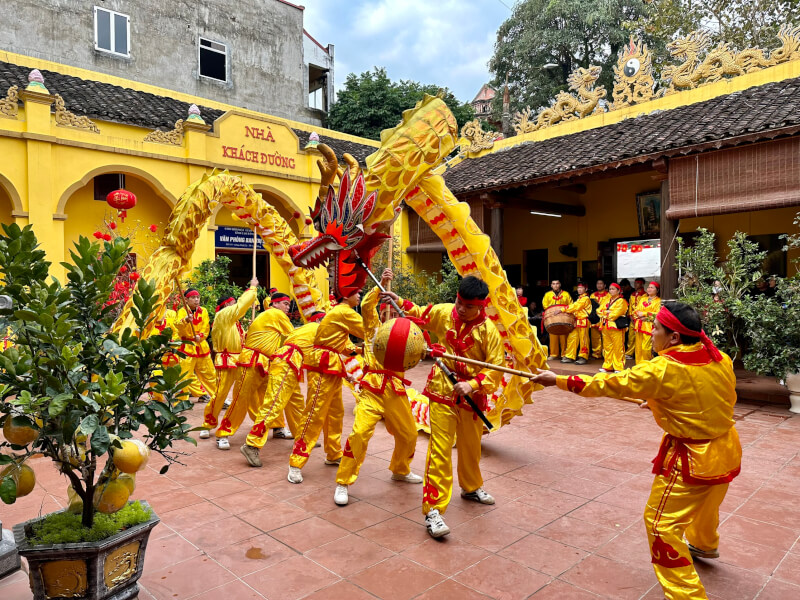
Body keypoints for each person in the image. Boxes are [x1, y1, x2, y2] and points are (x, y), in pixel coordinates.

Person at [533, 301, 741, 600]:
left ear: (674, 337)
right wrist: (661, 401)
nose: (650, 333)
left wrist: (558, 380)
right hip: (726, 448)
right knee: (707, 503)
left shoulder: (663, 369)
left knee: (660, 525)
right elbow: (707, 396)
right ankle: (704, 544)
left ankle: (688, 595)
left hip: (691, 457)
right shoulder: (719, 357)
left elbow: (611, 382)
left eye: (656, 329)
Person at [381, 276, 504, 539]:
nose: (461, 309)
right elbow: (420, 314)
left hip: (471, 398)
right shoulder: (444, 313)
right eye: (459, 302)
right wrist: (399, 300)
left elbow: (495, 369)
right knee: (440, 449)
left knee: (471, 447)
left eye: (468, 306)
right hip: (441, 390)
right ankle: (433, 510)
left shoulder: (489, 332)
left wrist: (473, 384)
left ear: (481, 306)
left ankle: (471, 487)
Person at [333, 268, 423, 505]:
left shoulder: (407, 334)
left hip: (395, 391)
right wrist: (381, 283)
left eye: (391, 312)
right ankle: (343, 481)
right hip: (372, 390)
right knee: (359, 434)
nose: (388, 315)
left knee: (409, 434)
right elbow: (365, 306)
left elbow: (417, 352)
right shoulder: (373, 329)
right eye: (384, 311)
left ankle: (400, 469)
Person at [288, 288, 365, 484]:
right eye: (357, 292)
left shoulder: (340, 313)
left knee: (335, 413)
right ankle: (296, 462)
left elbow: (345, 346)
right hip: (323, 365)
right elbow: (369, 330)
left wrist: (359, 350)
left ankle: (333, 453)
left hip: (332, 366)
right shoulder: (344, 311)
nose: (359, 296)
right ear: (345, 295)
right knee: (314, 414)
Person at [239, 310, 326, 467]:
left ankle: (301, 438)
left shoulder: (303, 329)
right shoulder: (318, 329)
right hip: (287, 364)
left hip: (289, 364)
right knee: (273, 404)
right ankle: (252, 444)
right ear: (319, 320)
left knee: (296, 403)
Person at [214, 292, 294, 450]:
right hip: (252, 361)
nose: (287, 307)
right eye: (285, 303)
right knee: (241, 398)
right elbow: (293, 335)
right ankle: (223, 433)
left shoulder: (269, 316)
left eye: (288, 304)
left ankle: (277, 427)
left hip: (265, 363)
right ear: (274, 304)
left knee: (271, 398)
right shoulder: (275, 313)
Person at [199, 279, 258, 439]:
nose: (235, 306)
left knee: (246, 393)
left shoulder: (234, 323)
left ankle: (258, 422)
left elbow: (242, 340)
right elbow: (240, 307)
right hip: (226, 360)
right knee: (220, 394)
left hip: (240, 360)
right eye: (232, 303)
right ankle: (208, 424)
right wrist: (252, 289)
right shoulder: (222, 316)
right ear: (226, 305)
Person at [174, 289, 216, 402]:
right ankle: (181, 402)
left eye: (198, 297)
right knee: (184, 375)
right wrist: (186, 320)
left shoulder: (204, 311)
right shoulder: (182, 311)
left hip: (201, 346)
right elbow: (177, 326)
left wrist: (200, 336)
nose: (196, 300)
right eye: (193, 298)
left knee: (210, 374)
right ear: (186, 300)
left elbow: (206, 327)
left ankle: (218, 398)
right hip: (187, 346)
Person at [597, 282, 628, 373]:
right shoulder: (606, 300)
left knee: (618, 347)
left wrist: (604, 313)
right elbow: (598, 310)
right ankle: (608, 365)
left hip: (616, 326)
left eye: (613, 289)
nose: (611, 291)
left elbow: (614, 315)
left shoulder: (621, 301)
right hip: (605, 326)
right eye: (610, 289)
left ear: (618, 291)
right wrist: (607, 312)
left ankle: (618, 366)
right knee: (607, 347)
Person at [560, 281, 591, 365]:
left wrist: (562, 309)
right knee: (572, 338)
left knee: (583, 340)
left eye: (581, 288)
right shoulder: (580, 298)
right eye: (578, 288)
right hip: (577, 321)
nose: (579, 289)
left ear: (586, 289)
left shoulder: (585, 298)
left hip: (583, 321)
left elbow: (575, 307)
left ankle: (583, 357)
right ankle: (570, 356)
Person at [541, 279, 572, 360]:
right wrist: (553, 310)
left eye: (557, 283)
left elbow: (570, 305)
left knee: (564, 336)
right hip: (552, 318)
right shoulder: (547, 294)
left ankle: (564, 354)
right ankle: (553, 354)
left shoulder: (566, 294)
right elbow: (545, 305)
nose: (555, 285)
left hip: (563, 318)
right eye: (553, 284)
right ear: (551, 285)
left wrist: (562, 310)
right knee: (553, 335)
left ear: (560, 285)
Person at [634, 282, 661, 364]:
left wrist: (645, 314)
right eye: (648, 287)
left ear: (657, 290)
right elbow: (636, 311)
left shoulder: (658, 301)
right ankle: (638, 365)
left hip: (649, 327)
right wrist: (640, 315)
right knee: (638, 347)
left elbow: (657, 314)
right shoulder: (643, 299)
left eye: (652, 287)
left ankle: (646, 365)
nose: (649, 289)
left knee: (646, 348)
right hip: (639, 326)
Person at [627, 278, 647, 359]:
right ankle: (629, 353)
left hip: (640, 318)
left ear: (642, 284)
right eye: (635, 283)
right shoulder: (632, 294)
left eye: (637, 283)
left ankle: (639, 354)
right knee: (631, 336)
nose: (635, 285)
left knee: (640, 337)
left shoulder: (645, 295)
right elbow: (630, 307)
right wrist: (631, 315)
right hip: (633, 318)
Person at [590, 280, 609, 360]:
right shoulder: (592, 295)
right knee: (595, 338)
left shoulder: (609, 295)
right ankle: (596, 354)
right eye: (597, 283)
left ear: (605, 285)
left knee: (606, 338)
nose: (599, 285)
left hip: (604, 318)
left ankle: (606, 354)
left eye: (601, 283)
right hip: (594, 319)